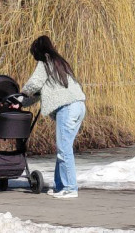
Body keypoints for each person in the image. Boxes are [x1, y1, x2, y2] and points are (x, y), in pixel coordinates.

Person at [19, 35, 87, 199]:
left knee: (64, 150)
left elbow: (34, 84)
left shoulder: (45, 62)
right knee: (64, 149)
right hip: (79, 106)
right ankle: (60, 186)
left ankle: (70, 188)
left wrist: (21, 95)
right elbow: (39, 93)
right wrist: (21, 103)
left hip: (67, 109)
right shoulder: (59, 63)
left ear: (38, 51)